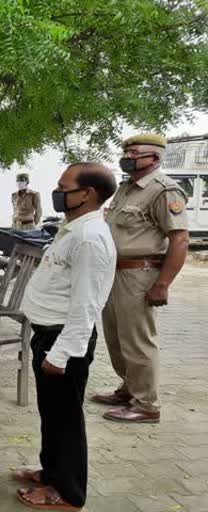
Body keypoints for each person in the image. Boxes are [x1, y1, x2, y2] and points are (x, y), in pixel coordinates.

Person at [16, 163, 117, 511]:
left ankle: (68, 493)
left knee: (66, 419)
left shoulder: (90, 238)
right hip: (48, 335)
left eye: (64, 187)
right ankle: (51, 472)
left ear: (87, 194)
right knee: (52, 413)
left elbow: (87, 305)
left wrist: (61, 354)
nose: (58, 192)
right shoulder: (73, 228)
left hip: (63, 341)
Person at [91, 134, 189, 424]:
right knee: (116, 337)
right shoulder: (126, 188)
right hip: (115, 272)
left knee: (137, 340)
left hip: (140, 274)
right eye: (126, 151)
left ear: (155, 158)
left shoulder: (163, 190)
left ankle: (147, 404)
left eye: (135, 152)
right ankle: (129, 388)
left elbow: (180, 240)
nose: (128, 156)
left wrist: (163, 284)